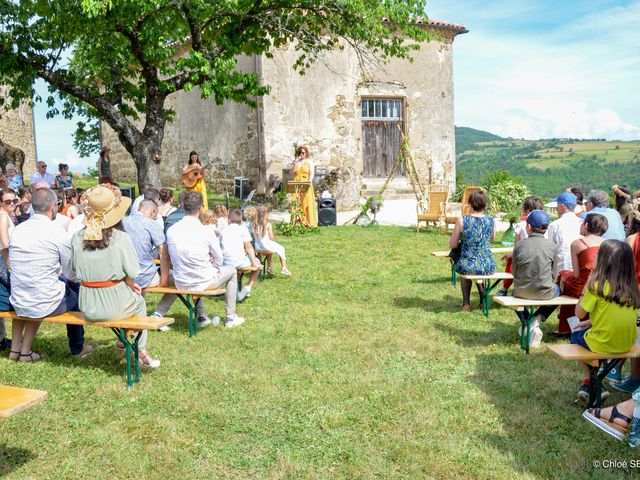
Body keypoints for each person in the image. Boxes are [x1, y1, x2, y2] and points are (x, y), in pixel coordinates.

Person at [71, 185, 160, 368]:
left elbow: (73, 268)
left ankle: (123, 342)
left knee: (132, 297)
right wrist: (130, 284)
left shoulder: (77, 237)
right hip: (114, 303)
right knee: (139, 301)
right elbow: (133, 272)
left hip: (87, 304)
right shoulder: (119, 237)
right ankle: (140, 350)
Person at [8, 188, 92, 362]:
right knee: (74, 288)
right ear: (54, 206)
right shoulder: (57, 232)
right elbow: (70, 271)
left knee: (45, 285)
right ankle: (78, 347)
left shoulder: (18, 229)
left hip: (18, 297)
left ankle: (18, 351)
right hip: (44, 301)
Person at [569, 240, 640, 400]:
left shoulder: (597, 285)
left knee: (575, 336)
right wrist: (591, 322)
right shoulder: (632, 288)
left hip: (603, 343)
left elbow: (579, 313)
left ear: (603, 261)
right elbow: (618, 316)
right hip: (626, 344)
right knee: (591, 335)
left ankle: (590, 381)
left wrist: (586, 286)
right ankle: (593, 383)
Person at [166, 192, 244, 327]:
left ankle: (202, 317)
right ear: (201, 208)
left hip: (181, 281)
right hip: (203, 281)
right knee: (231, 271)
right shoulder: (206, 231)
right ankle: (230, 317)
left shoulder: (171, 231)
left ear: (183, 206)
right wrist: (210, 262)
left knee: (196, 270)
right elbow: (219, 259)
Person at [123, 199, 175, 331]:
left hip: (123, 276)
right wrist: (163, 280)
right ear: (152, 212)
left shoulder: (122, 222)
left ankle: (138, 312)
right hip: (144, 276)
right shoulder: (151, 224)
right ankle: (158, 314)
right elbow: (164, 254)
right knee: (177, 279)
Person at [511, 210, 559, 348]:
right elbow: (553, 274)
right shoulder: (552, 246)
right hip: (546, 292)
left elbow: (514, 272)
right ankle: (537, 319)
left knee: (514, 295)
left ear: (529, 227)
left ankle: (528, 322)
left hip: (522, 291)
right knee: (560, 290)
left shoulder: (519, 245)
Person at [556, 214, 608, 336]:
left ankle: (567, 325)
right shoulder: (608, 243)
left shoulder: (577, 244)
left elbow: (576, 274)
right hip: (602, 285)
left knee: (563, 275)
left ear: (586, 225)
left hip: (582, 287)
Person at [449, 190, 495, 312]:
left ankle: (466, 304)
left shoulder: (462, 220)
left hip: (468, 263)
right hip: (487, 264)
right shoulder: (491, 220)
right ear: (485, 204)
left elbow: (453, 245)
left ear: (470, 203)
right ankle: (482, 301)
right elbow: (492, 238)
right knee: (481, 270)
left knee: (466, 269)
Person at [498, 196, 545, 296]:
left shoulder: (522, 225)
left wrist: (511, 255)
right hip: (542, 262)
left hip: (524, 261)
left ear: (527, 211)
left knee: (511, 261)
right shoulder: (546, 226)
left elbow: (517, 249)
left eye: (522, 207)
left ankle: (504, 288)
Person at [220, 208, 261, 301]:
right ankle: (248, 288)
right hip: (238, 262)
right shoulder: (243, 229)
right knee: (258, 263)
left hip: (226, 262)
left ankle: (235, 292)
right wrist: (254, 263)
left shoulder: (223, 230)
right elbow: (249, 247)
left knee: (234, 271)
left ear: (229, 219)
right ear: (241, 219)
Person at [547, 191, 583, 273]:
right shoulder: (582, 223)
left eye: (557, 205)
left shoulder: (554, 225)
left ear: (562, 206)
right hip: (579, 268)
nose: (556, 208)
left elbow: (549, 250)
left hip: (561, 270)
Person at [254, 205, 291, 276]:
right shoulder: (268, 224)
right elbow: (271, 238)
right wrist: (273, 236)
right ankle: (284, 268)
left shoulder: (255, 224)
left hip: (257, 247)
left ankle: (267, 268)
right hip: (266, 246)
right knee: (281, 248)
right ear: (266, 215)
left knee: (270, 251)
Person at [291, 145, 317, 227]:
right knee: (297, 203)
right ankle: (297, 222)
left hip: (306, 184)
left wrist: (309, 182)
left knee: (307, 202)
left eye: (303, 153)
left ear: (306, 153)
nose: (301, 154)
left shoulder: (309, 162)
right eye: (299, 153)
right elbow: (292, 173)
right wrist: (295, 163)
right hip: (297, 185)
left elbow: (312, 173)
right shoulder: (297, 163)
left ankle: (309, 223)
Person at [0, 188, 17, 265]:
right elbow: (6, 244)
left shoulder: (5, 215)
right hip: (4, 260)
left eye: (15, 201)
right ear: (0, 203)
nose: (12, 203)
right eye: (8, 202)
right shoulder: (3, 216)